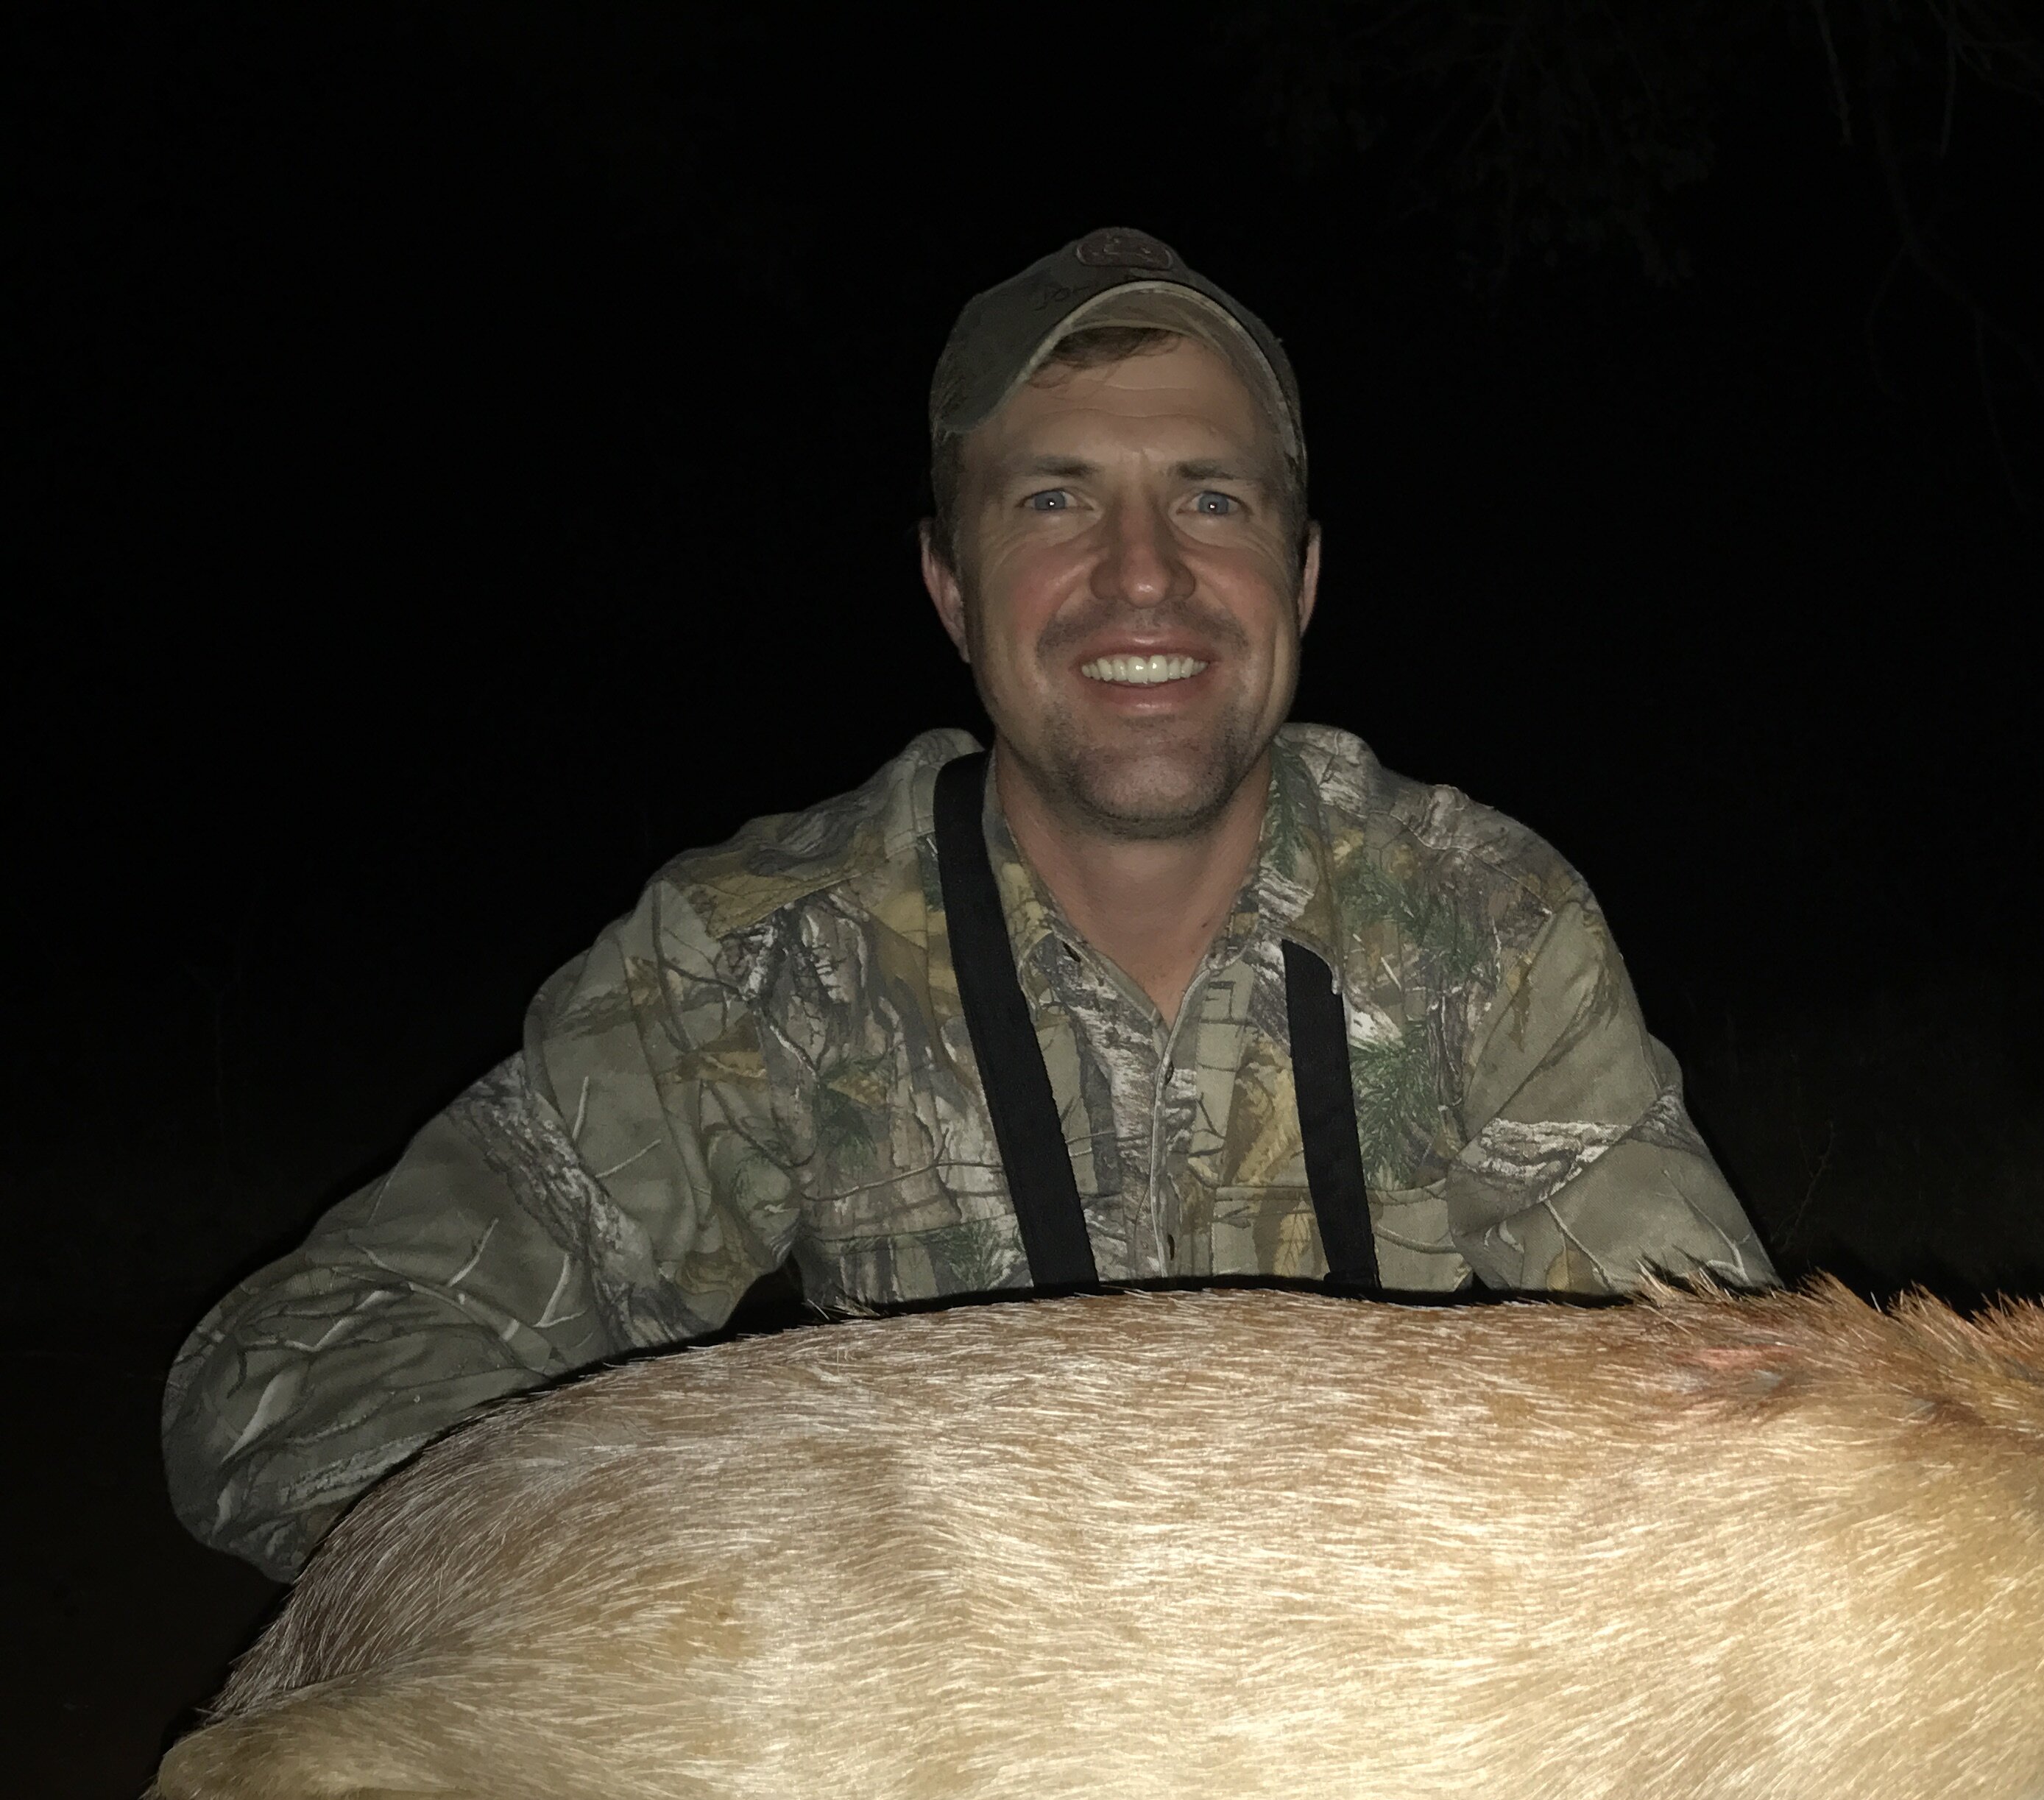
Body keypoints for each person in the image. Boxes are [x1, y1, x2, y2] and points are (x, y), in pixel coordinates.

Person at [166, 227, 1771, 1579]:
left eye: (1211, 499)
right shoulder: (773, 955)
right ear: (948, 584)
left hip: (1377, 1747)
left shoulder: (1483, 925)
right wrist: (746, 1550)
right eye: (1054, 500)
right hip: (922, 1755)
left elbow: (1744, 1418)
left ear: (1300, 579)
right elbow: (286, 1379)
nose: (1143, 575)